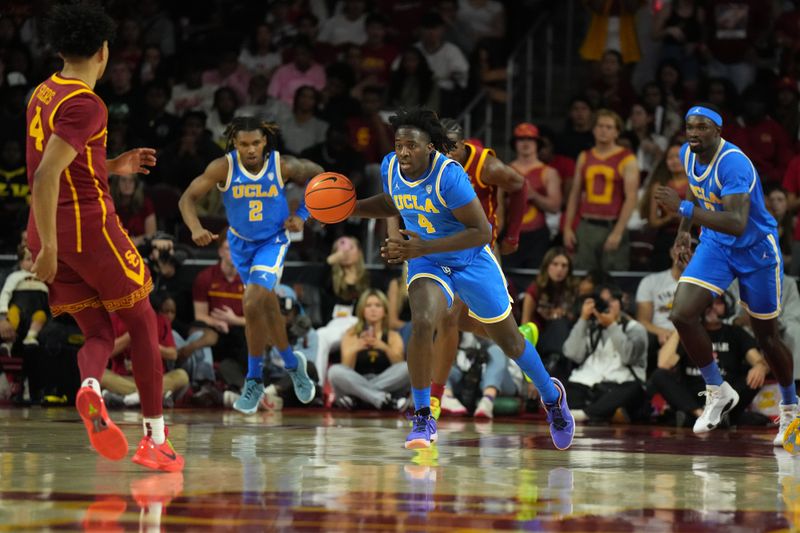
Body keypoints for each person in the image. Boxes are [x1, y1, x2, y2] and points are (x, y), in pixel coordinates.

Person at [336, 107, 574, 450]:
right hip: (427, 261)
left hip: (470, 260)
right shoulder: (391, 166)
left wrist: (421, 245)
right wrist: (351, 207)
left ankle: (552, 397)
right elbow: (392, 202)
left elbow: (481, 232)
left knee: (510, 342)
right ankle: (422, 415)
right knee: (424, 322)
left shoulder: (450, 175)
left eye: (412, 146)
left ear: (431, 146)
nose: (403, 152)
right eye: (399, 144)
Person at [26, 3, 183, 471]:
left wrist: (113, 165)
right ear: (103, 51)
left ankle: (90, 387)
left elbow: (57, 161)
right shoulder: (87, 102)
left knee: (96, 330)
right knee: (140, 324)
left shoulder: (42, 92)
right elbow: (46, 175)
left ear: (60, 49)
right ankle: (155, 438)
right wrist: (54, 247)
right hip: (86, 231)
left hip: (45, 229)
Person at [654, 104, 799, 448]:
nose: (694, 133)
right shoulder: (688, 154)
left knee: (767, 337)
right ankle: (717, 390)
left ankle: (792, 407)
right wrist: (683, 231)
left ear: (718, 131)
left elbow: (735, 222)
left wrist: (684, 210)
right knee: (681, 314)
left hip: (755, 252)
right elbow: (694, 189)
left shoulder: (734, 163)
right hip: (716, 245)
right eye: (690, 126)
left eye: (702, 127)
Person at [179, 116, 322, 415]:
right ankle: (294, 366)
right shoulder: (223, 167)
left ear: (265, 142)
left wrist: (303, 215)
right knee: (263, 306)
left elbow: (319, 175)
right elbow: (187, 199)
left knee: (252, 299)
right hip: (240, 244)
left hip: (273, 241)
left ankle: (253, 379)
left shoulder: (282, 166)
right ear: (234, 143)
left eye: (256, 143)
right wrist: (194, 228)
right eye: (244, 144)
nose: (251, 149)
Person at [425, 118, 527, 419]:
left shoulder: (486, 166)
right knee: (457, 322)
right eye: (441, 149)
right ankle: (519, 339)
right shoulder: (430, 165)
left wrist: (513, 234)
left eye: (452, 148)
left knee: (451, 318)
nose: (447, 154)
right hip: (445, 248)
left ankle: (435, 396)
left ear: (464, 144)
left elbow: (520, 186)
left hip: (480, 248)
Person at [650, 292, 769, 428]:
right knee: (659, 375)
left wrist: (760, 367)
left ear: (727, 307)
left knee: (756, 374)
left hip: (725, 396)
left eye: (718, 303)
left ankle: (706, 417)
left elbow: (759, 361)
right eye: (707, 304)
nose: (712, 307)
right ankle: (702, 415)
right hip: (693, 396)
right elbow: (663, 364)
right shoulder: (689, 333)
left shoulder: (735, 333)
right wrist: (682, 325)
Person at [563, 109, 640, 272]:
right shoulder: (584, 156)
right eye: (599, 126)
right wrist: (568, 227)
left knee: (613, 276)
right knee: (582, 275)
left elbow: (631, 198)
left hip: (612, 225)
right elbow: (575, 194)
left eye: (609, 127)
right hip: (586, 225)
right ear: (593, 129)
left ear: (617, 132)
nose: (603, 130)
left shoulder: (627, 158)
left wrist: (618, 232)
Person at [562, 285, 648, 424]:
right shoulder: (591, 326)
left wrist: (612, 326)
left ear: (622, 303)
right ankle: (605, 414)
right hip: (591, 383)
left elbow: (628, 357)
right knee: (564, 391)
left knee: (632, 390)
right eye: (603, 301)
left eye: (612, 300)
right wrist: (583, 319)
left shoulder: (635, 329)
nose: (608, 305)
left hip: (620, 384)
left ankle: (585, 414)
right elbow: (572, 353)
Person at [327, 289, 409, 410]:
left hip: (385, 383)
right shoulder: (351, 334)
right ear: (362, 311)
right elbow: (346, 368)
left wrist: (384, 347)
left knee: (409, 367)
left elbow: (399, 365)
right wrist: (356, 347)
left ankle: (362, 397)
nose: (373, 309)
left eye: (377, 305)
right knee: (334, 371)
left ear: (385, 311)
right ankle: (381, 399)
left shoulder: (393, 336)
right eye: (368, 305)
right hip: (358, 379)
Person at [504, 122, 562, 270]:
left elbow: (555, 206)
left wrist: (533, 195)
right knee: (508, 278)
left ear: (537, 143)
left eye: (530, 139)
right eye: (521, 139)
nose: (525, 143)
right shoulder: (505, 170)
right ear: (515, 143)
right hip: (511, 234)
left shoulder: (549, 172)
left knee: (535, 276)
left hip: (537, 236)